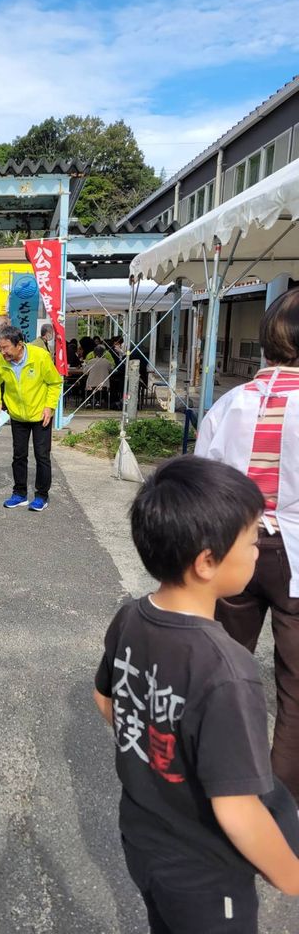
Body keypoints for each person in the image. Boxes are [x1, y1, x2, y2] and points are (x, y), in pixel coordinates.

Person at [94, 456, 299, 934]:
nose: (257, 550)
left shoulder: (130, 616)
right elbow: (237, 807)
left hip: (142, 840)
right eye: (252, 540)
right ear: (207, 561)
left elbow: (105, 699)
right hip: (206, 874)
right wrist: (290, 875)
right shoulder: (227, 670)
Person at [196, 287, 299, 803]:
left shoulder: (230, 403)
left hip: (236, 546)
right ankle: (277, 801)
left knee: (229, 669)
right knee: (296, 691)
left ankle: (225, 778)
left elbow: (203, 482)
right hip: (297, 558)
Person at [0, 326, 61, 512]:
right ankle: (19, 494)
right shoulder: (0, 361)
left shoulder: (40, 356)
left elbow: (54, 383)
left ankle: (41, 495)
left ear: (19, 345)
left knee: (42, 456)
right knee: (19, 455)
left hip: (40, 414)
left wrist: (49, 406)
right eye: (0, 347)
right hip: (18, 416)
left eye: (6, 348)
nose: (2, 352)